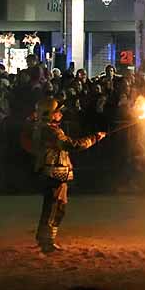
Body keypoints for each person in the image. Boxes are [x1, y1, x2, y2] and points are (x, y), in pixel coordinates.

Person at [29, 97, 106, 253]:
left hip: (54, 172)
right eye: (57, 112)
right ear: (48, 114)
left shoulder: (45, 128)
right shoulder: (50, 131)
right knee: (53, 207)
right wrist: (94, 138)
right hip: (53, 173)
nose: (60, 114)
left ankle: (45, 239)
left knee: (56, 206)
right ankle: (47, 242)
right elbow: (71, 145)